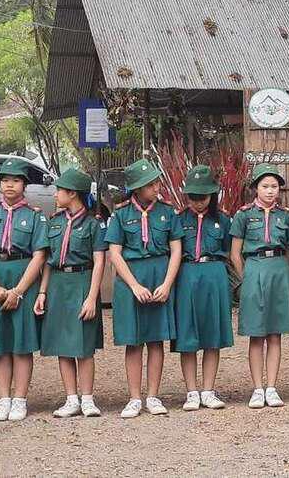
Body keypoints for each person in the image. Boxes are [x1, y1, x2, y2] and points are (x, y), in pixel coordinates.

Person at [105, 158, 183, 419]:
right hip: (131, 279)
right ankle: (134, 398)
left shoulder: (167, 212)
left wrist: (167, 284)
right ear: (137, 188)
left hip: (160, 275)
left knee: (156, 338)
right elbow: (115, 254)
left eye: (156, 182)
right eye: (150, 184)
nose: (156, 187)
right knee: (133, 340)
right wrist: (134, 285)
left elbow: (176, 250)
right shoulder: (121, 214)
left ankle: (153, 396)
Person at [34, 168, 106, 418]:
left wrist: (92, 297)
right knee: (62, 344)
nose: (55, 195)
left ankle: (87, 399)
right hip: (58, 283)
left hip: (82, 281)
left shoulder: (93, 224)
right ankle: (71, 399)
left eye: (59, 191)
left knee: (84, 345)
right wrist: (42, 292)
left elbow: (99, 262)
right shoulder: (54, 222)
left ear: (72, 193)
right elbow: (48, 261)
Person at [0, 157, 48, 422]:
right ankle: (3, 400)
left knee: (21, 343)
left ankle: (20, 399)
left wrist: (19, 291)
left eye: (16, 180)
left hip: (23, 278)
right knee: (0, 344)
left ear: (24, 185)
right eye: (5, 180)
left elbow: (40, 255)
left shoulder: (35, 216)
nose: (9, 185)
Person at [229, 163, 289, 409]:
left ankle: (272, 387)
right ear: (256, 188)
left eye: (274, 186)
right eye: (265, 186)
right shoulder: (244, 215)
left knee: (275, 333)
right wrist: (246, 278)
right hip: (254, 268)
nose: (270, 191)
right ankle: (258, 388)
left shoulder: (285, 216)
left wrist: (283, 269)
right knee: (256, 334)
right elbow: (235, 253)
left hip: (278, 269)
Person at [171, 166, 234, 412]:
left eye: (203, 197)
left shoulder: (223, 220)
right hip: (186, 274)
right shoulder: (178, 219)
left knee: (212, 334)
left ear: (212, 195)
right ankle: (191, 392)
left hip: (214, 274)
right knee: (187, 335)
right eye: (193, 197)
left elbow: (230, 250)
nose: (198, 202)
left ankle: (208, 390)